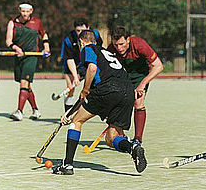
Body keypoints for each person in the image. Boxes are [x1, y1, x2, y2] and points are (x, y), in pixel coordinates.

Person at [53, 30, 147, 175]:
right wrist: (69, 112)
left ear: (81, 42)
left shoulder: (87, 49)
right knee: (112, 139)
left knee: (76, 122)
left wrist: (84, 91)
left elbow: (92, 68)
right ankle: (133, 148)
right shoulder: (105, 52)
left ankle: (68, 165)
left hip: (107, 90)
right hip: (128, 92)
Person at [107, 26, 163, 146]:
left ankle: (137, 139)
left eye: (122, 44)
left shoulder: (139, 45)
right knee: (117, 102)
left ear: (128, 39)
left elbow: (158, 66)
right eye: (116, 45)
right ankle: (121, 137)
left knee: (138, 103)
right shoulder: (111, 49)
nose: (119, 48)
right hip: (123, 76)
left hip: (140, 76)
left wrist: (142, 84)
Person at [6, 2, 50, 121]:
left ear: (31, 11)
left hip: (31, 57)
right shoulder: (12, 23)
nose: (25, 14)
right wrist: (16, 48)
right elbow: (8, 41)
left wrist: (46, 47)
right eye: (23, 11)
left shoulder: (37, 22)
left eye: (27, 11)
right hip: (19, 56)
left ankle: (19, 111)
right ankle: (35, 110)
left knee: (24, 82)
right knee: (26, 85)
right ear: (19, 11)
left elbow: (44, 34)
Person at [60, 19, 103, 112]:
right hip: (73, 64)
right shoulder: (69, 39)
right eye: (78, 31)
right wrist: (75, 77)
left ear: (88, 28)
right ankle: (68, 113)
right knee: (70, 88)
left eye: (82, 30)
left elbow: (99, 49)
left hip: (89, 62)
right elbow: (69, 59)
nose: (80, 33)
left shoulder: (95, 34)